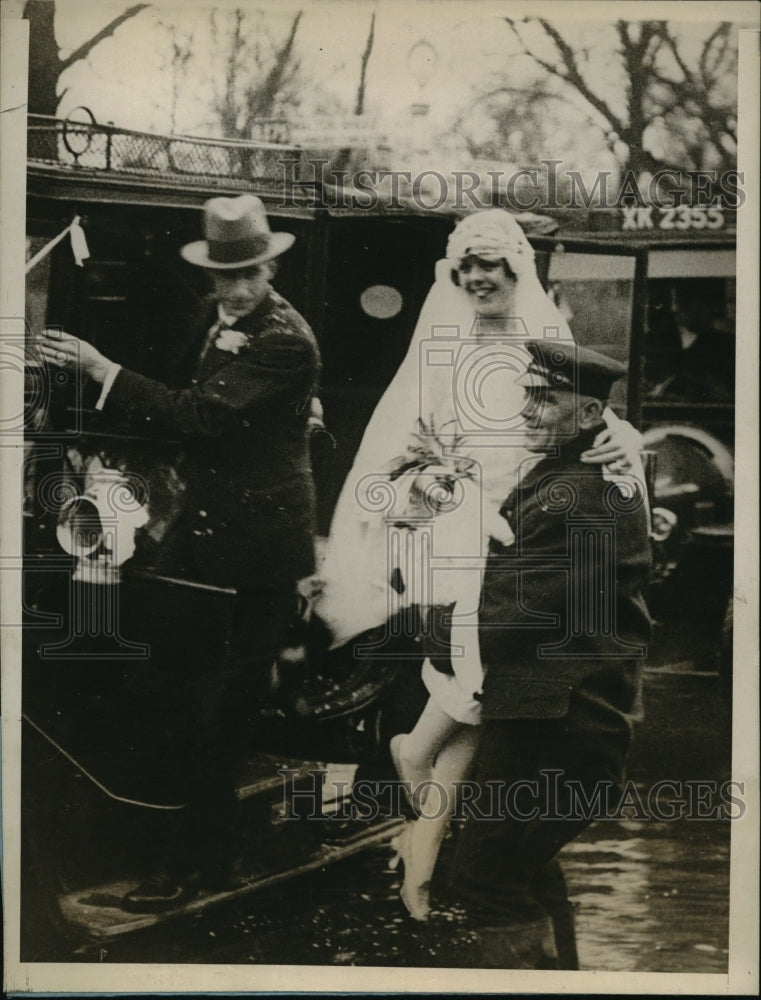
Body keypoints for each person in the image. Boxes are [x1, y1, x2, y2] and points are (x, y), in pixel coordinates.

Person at [314, 209, 645, 921]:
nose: (476, 279)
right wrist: (421, 491)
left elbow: (594, 417)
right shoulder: (442, 346)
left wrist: (626, 447)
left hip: (528, 536)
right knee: (470, 691)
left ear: (515, 268)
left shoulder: (544, 344)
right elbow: (399, 448)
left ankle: (428, 845)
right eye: (464, 268)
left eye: (488, 266)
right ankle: (432, 846)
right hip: (456, 536)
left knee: (482, 696)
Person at [37, 194, 321, 911]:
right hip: (201, 535)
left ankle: (189, 868)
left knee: (217, 713)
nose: (235, 290)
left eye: (249, 275)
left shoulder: (286, 342)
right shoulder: (211, 318)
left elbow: (197, 415)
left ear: (271, 269)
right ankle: (192, 858)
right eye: (224, 277)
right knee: (176, 699)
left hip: (255, 554)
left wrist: (101, 370)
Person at [436, 338, 652, 969]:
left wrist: (411, 626)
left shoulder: (583, 495)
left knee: (483, 878)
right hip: (556, 719)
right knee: (522, 870)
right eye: (527, 394)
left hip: (560, 727)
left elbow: (508, 616)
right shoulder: (569, 473)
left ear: (589, 415)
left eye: (546, 399)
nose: (528, 410)